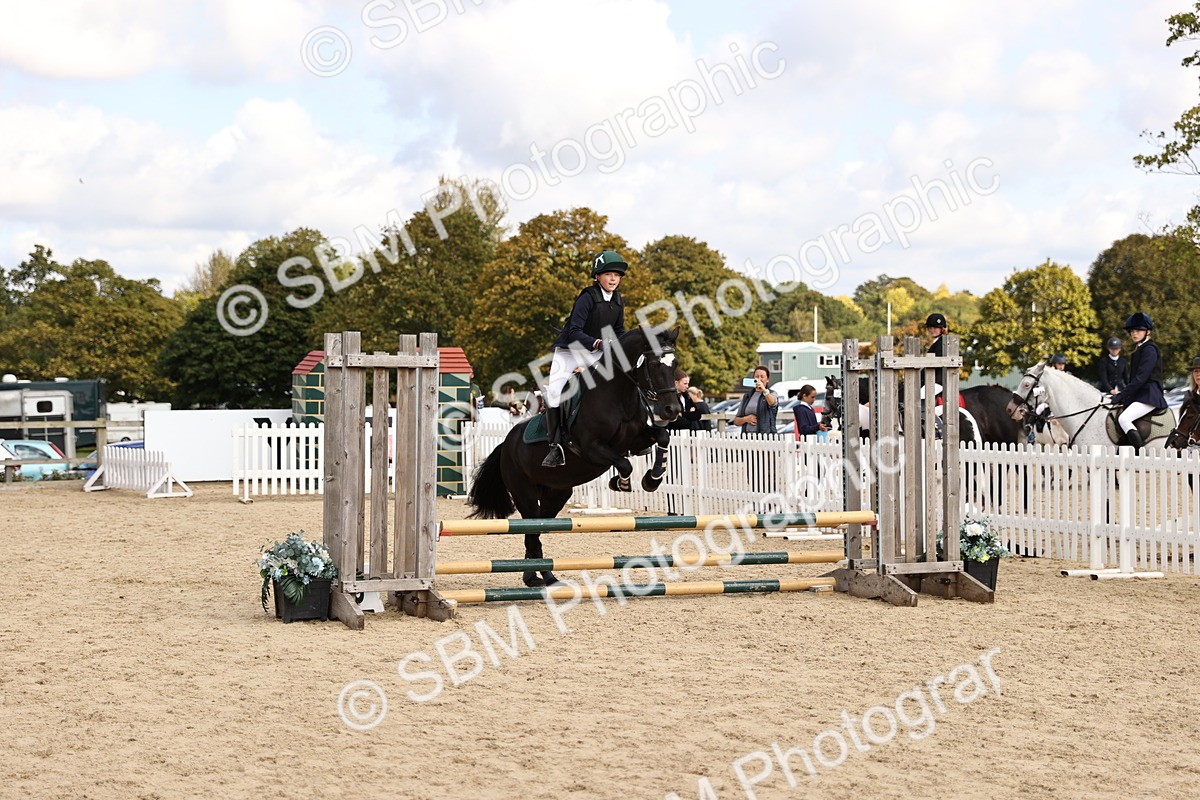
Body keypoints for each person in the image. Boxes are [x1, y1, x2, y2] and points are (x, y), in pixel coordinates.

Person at [540, 250, 627, 467]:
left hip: (596, 352)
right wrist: (597, 343)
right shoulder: (587, 297)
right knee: (554, 393)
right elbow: (574, 331)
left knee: (623, 378)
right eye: (608, 274)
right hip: (570, 352)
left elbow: (619, 330)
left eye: (617, 275)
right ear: (597, 276)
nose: (613, 279)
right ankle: (555, 446)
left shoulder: (618, 300)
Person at [1110, 312, 1167, 452]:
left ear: (1147, 331)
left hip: (1149, 395)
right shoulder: (1140, 349)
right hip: (1140, 394)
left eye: (1138, 330)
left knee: (1124, 419)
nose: (1134, 333)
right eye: (1132, 331)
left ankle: (1139, 453)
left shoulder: (1150, 349)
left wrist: (1122, 394)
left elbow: (1141, 378)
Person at [733, 365, 778, 435]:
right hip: (747, 436)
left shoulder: (772, 393)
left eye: (762, 377)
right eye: (757, 376)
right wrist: (746, 419)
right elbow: (736, 421)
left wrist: (764, 390)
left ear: (767, 379)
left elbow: (772, 403)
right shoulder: (747, 396)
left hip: (765, 436)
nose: (759, 379)